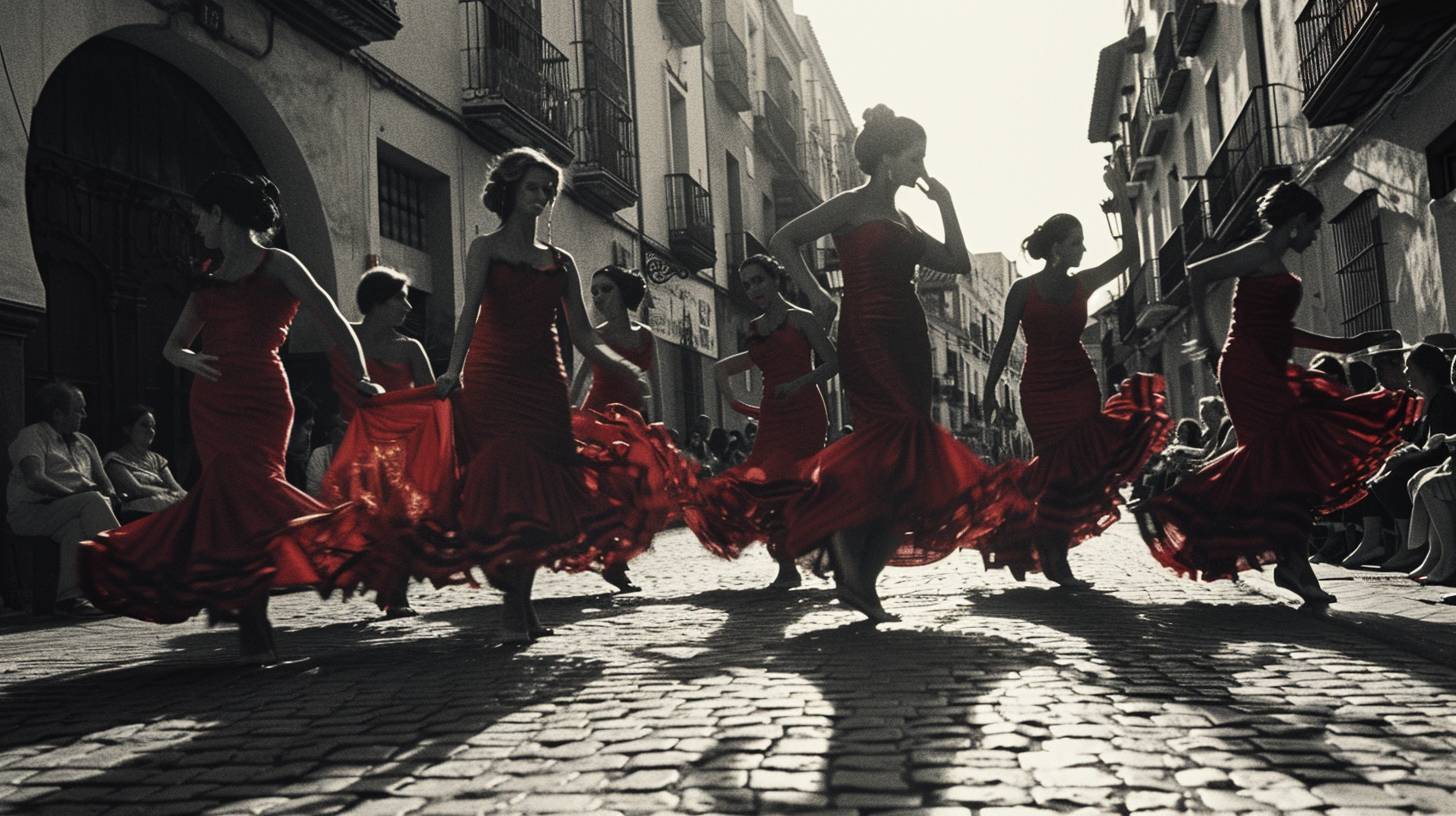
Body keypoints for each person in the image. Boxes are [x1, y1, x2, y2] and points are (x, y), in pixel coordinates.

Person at [80, 171, 384, 664]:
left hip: (263, 395)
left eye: (201, 214)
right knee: (229, 499)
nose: (197, 223)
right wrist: (189, 359)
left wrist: (363, 377)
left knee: (252, 488)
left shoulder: (279, 263)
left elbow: (334, 321)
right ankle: (252, 611)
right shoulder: (207, 280)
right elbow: (171, 345)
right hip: (212, 401)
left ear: (220, 214)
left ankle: (334, 547)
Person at [766, 104, 1024, 621]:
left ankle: (859, 580)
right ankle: (841, 543)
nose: (920, 169)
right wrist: (819, 298)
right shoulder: (850, 204)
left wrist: (946, 203)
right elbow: (782, 240)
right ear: (887, 159)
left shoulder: (905, 218)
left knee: (906, 462)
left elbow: (956, 263)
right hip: (867, 332)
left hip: (908, 334)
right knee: (895, 442)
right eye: (914, 157)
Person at [1134, 181, 1420, 604]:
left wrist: (1345, 344)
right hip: (1248, 370)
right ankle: (1282, 560)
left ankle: (1292, 564)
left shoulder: (1274, 260)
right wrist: (1208, 343)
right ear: (1296, 222)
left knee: (1292, 466)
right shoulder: (1260, 252)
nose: (1315, 235)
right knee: (1283, 463)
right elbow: (1198, 272)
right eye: (1314, 227)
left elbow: (1279, 329)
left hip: (1270, 366)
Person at [434, 147, 678, 643]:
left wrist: (626, 368)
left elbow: (585, 335)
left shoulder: (561, 261)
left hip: (544, 381)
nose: (543, 197)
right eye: (533, 188)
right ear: (509, 190)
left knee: (539, 494)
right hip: (492, 379)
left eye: (548, 190)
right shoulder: (485, 248)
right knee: (509, 489)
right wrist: (452, 371)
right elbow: (470, 312)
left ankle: (518, 608)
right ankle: (514, 608)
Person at [980, 162, 1171, 587]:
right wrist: (991, 389)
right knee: (1055, 471)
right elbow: (1004, 341)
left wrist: (1122, 197)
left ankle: (1041, 548)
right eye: (1076, 242)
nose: (1083, 249)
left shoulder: (1083, 282)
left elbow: (1130, 257)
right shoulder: (1021, 289)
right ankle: (1035, 546)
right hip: (1040, 388)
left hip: (1079, 385)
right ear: (1057, 249)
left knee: (1077, 472)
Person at [687, 253, 837, 589]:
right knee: (765, 488)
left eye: (759, 280)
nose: (753, 289)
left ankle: (824, 551)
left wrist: (797, 384)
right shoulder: (754, 328)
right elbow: (723, 367)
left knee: (789, 483)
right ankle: (787, 568)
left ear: (775, 280)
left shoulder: (802, 319)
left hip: (806, 414)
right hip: (772, 416)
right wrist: (734, 401)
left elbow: (832, 363)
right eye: (747, 284)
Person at [567, 264, 675, 594]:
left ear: (624, 292)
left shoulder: (646, 336)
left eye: (605, 289)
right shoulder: (595, 335)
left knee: (636, 495)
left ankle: (616, 558)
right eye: (595, 290)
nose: (598, 296)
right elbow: (581, 380)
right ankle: (614, 562)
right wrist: (569, 419)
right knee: (603, 494)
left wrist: (659, 427)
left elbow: (655, 384)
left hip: (633, 426)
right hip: (598, 421)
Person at [6, 382, 116, 616]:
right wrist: (77, 495)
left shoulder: (85, 442)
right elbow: (35, 479)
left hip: (70, 512)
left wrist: (110, 493)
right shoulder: (32, 435)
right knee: (91, 501)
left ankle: (70, 598)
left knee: (75, 527)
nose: (84, 415)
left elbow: (104, 481)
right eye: (79, 409)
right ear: (57, 414)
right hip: (31, 512)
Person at [1347, 341, 1456, 569]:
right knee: (1369, 476)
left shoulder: (1443, 400)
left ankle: (1414, 548)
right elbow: (1413, 441)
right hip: (1432, 458)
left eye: (1410, 368)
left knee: (1399, 477)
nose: (1406, 373)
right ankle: (1376, 541)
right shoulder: (1426, 399)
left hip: (1443, 460)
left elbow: (1436, 445)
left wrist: (1402, 457)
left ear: (1425, 371)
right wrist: (1394, 455)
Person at [103, 404, 188, 520]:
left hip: (166, 504)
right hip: (137, 512)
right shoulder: (115, 459)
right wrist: (168, 493)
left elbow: (176, 488)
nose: (151, 431)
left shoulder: (158, 459)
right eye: (144, 425)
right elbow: (136, 489)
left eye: (153, 426)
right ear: (127, 429)